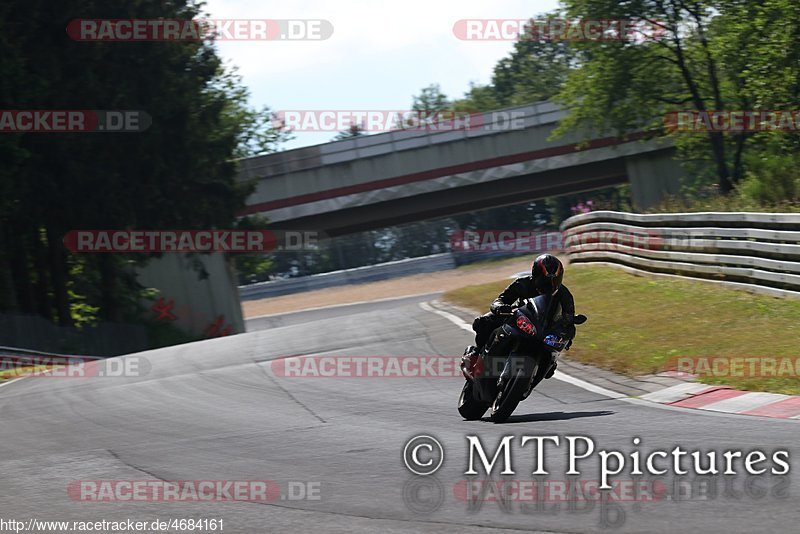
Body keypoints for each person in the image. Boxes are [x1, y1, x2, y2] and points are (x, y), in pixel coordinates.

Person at [464, 253, 575, 379]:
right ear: (535, 275)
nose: (549, 286)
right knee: (484, 322)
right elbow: (500, 300)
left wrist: (567, 333)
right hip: (519, 319)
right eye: (544, 281)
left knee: (551, 361)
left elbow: (569, 318)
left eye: (554, 281)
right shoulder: (522, 283)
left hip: (545, 329)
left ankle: (548, 365)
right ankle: (476, 354)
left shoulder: (564, 295)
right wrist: (500, 307)